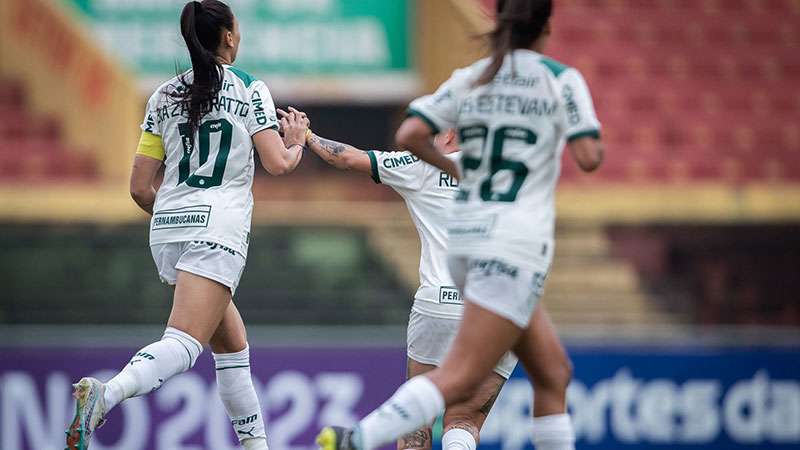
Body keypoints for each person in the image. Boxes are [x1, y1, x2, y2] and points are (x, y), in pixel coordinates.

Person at [316, 1, 603, 450]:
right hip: (514, 254)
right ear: (546, 26)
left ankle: (362, 436)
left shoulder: (471, 81)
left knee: (552, 373)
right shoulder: (560, 79)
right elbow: (588, 156)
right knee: (466, 398)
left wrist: (452, 170)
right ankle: (359, 437)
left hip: (459, 267)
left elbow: (409, 133)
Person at [65, 2, 307, 449]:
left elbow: (140, 188)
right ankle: (108, 392)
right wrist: (295, 143)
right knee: (183, 343)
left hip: (168, 229)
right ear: (229, 36)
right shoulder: (250, 88)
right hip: (217, 232)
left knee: (232, 346)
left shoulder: (161, 96)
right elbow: (276, 163)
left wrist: (178, 214)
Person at [279, 106, 518, 450]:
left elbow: (348, 158)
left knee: (416, 423)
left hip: (441, 303)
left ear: (448, 135)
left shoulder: (424, 167)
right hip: (501, 309)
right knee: (464, 421)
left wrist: (308, 137)